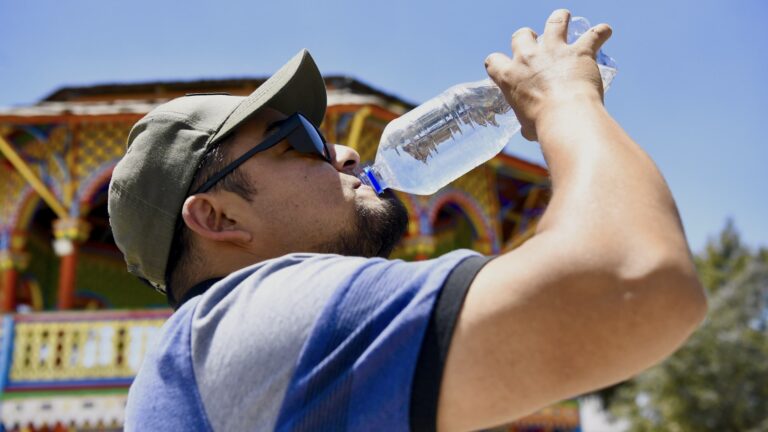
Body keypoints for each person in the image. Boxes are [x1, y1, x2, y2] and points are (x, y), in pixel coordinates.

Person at [108, 9, 707, 432]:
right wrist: (566, 101)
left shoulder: (205, 366)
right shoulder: (251, 316)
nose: (342, 153)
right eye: (297, 141)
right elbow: (633, 281)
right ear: (216, 215)